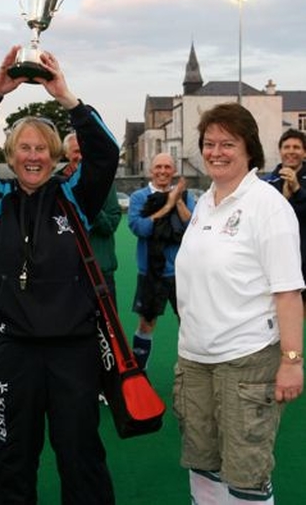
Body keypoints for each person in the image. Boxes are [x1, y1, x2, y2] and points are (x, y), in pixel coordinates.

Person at [0, 46, 119, 505]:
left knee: (80, 456)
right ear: (10, 152)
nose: (33, 156)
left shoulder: (76, 196)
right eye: (24, 147)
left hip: (74, 351)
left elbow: (106, 153)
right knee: (13, 456)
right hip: (14, 352)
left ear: (55, 154)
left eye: (42, 148)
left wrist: (65, 96)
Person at [174, 103, 304, 504]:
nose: (216, 152)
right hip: (195, 360)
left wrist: (291, 361)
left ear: (249, 149)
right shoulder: (206, 203)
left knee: (246, 474)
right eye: (209, 143)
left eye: (227, 143)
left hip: (246, 360)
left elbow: (288, 292)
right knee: (204, 465)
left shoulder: (268, 206)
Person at [127, 152, 194, 370]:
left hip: (181, 272)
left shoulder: (186, 195)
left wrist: (178, 200)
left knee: (189, 323)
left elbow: (192, 228)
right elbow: (140, 228)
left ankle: (191, 371)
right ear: (151, 170)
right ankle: (139, 374)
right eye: (158, 167)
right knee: (147, 324)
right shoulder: (139, 197)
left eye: (167, 167)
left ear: (174, 171)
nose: (163, 171)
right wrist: (167, 205)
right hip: (151, 273)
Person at [61, 131, 121, 302]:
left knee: (108, 328)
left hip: (101, 273)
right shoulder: (56, 184)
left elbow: (111, 225)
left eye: (85, 151)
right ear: (66, 154)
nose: (81, 156)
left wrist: (89, 203)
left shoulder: (106, 183)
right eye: (76, 151)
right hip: (66, 276)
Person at [263, 129, 306, 314]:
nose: (291, 151)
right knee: (284, 318)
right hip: (278, 262)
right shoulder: (267, 183)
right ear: (280, 151)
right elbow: (263, 219)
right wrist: (284, 199)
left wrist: (297, 189)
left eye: (296, 147)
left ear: (304, 152)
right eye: (286, 147)